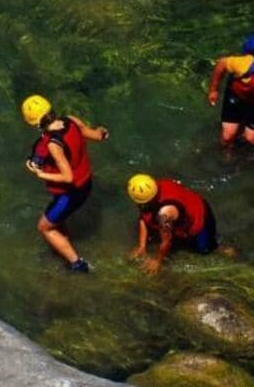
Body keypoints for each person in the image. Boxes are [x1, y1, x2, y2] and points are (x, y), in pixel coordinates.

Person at [21, 94, 109, 273]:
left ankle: (78, 265)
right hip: (86, 183)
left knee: (44, 227)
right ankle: (63, 240)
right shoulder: (70, 120)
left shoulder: (54, 144)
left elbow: (67, 177)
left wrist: (41, 174)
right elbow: (96, 135)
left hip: (70, 193)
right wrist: (102, 131)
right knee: (57, 221)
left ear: (34, 123)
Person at [126, 174, 218, 274]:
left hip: (201, 215)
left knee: (205, 250)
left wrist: (157, 261)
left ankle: (226, 250)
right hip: (185, 206)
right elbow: (143, 217)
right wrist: (142, 246)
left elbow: (167, 241)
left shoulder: (165, 214)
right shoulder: (151, 188)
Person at [206, 35, 254, 147]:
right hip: (236, 97)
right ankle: (226, 156)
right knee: (228, 137)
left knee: (250, 139)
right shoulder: (243, 65)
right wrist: (213, 90)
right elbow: (222, 64)